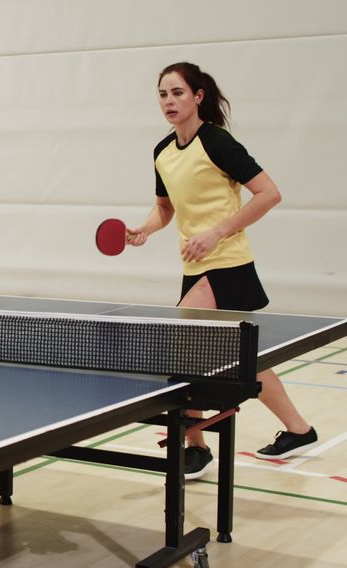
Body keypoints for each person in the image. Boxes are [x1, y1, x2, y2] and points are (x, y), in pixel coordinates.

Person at [126, 62, 317, 479]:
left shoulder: (217, 141)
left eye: (177, 93)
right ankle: (300, 429)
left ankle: (195, 444)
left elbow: (269, 193)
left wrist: (217, 232)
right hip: (195, 266)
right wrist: (143, 228)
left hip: (228, 264)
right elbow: (165, 209)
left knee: (182, 344)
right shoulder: (162, 152)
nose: (169, 102)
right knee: (246, 360)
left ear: (198, 97)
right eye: (162, 94)